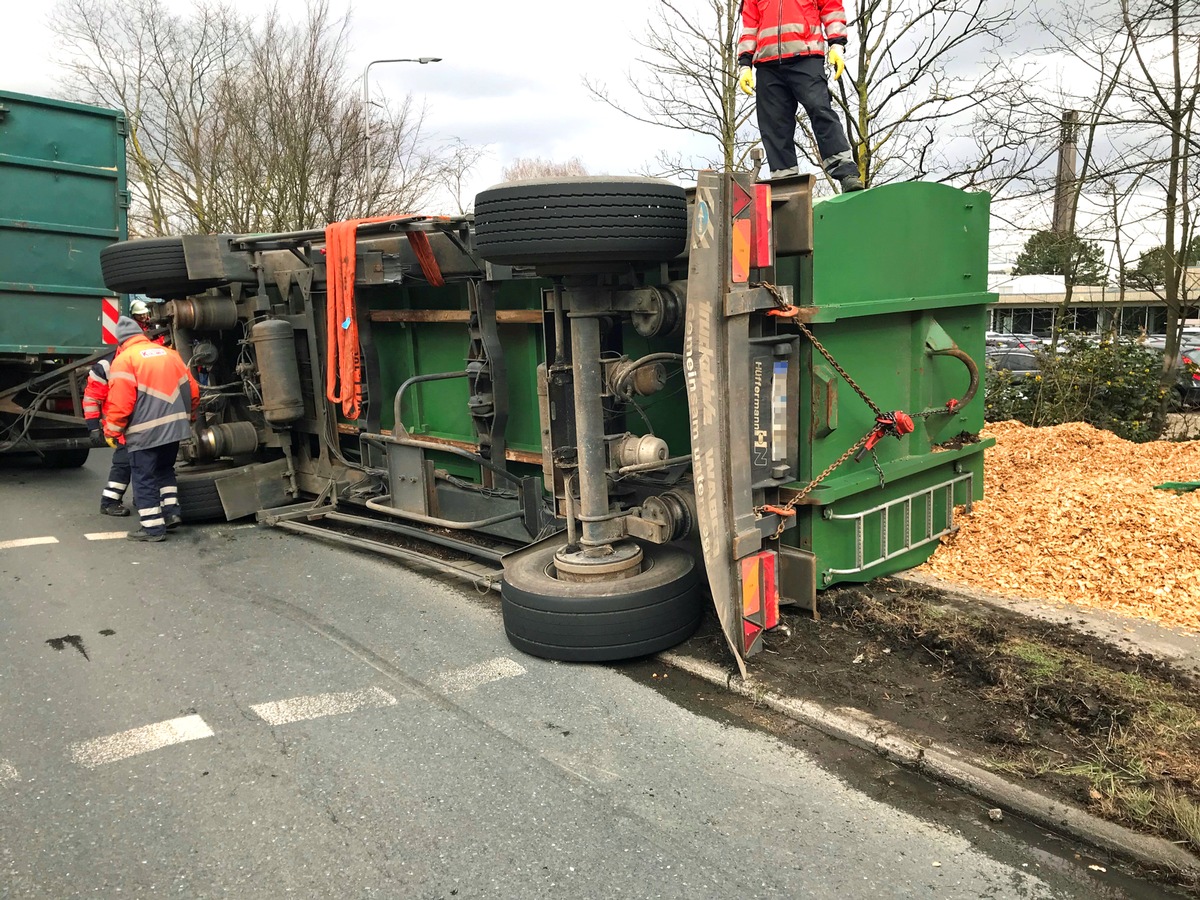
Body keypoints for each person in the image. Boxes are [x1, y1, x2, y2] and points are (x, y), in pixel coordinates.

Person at [736, 0, 865, 192]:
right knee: (774, 124)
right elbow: (750, 24)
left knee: (819, 108)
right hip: (767, 63)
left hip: (806, 56)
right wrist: (745, 64)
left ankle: (845, 171)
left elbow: (831, 7)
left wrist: (837, 44)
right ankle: (785, 182)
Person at [102, 316, 200, 542]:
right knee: (165, 470)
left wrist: (112, 431)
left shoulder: (125, 359)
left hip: (144, 432)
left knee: (143, 476)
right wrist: (190, 417)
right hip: (175, 429)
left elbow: (121, 402)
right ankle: (171, 513)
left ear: (121, 341)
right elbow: (192, 390)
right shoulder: (170, 354)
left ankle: (152, 528)